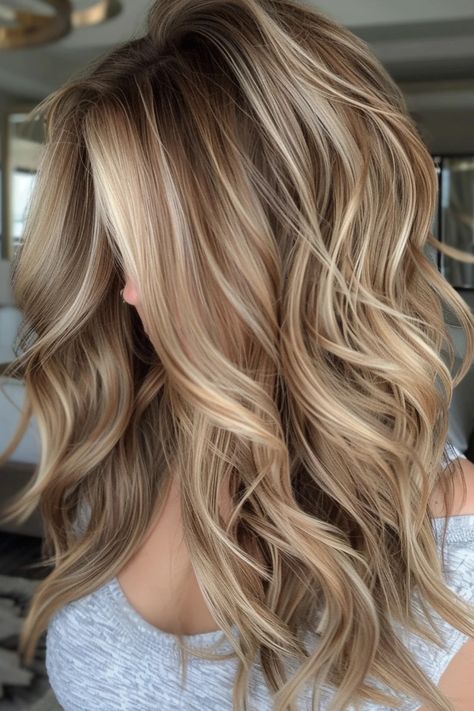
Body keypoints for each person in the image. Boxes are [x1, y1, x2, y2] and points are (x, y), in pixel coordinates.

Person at [0, 1, 473, 709]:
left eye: (163, 248)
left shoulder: (448, 553)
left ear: (289, 243)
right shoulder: (125, 445)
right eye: (119, 246)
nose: (125, 292)